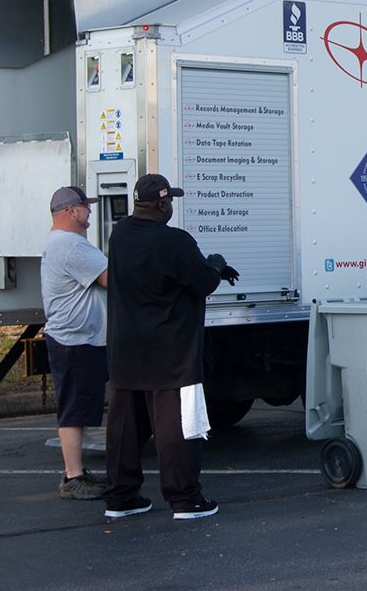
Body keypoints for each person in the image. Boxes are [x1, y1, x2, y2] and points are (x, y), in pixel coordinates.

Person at [102, 174, 239, 520]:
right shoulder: (175, 241)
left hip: (124, 351)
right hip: (169, 354)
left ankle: (121, 497)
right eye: (171, 201)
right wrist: (217, 265)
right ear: (163, 204)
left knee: (124, 430)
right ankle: (185, 499)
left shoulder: (118, 236)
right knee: (177, 429)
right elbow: (202, 281)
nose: (172, 206)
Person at [40, 186, 109, 500]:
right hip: (75, 340)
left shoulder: (60, 242)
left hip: (73, 338)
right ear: (70, 211)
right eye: (85, 206)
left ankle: (76, 473)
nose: (90, 211)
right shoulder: (71, 245)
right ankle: (73, 477)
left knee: (78, 407)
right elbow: (113, 278)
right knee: (73, 408)